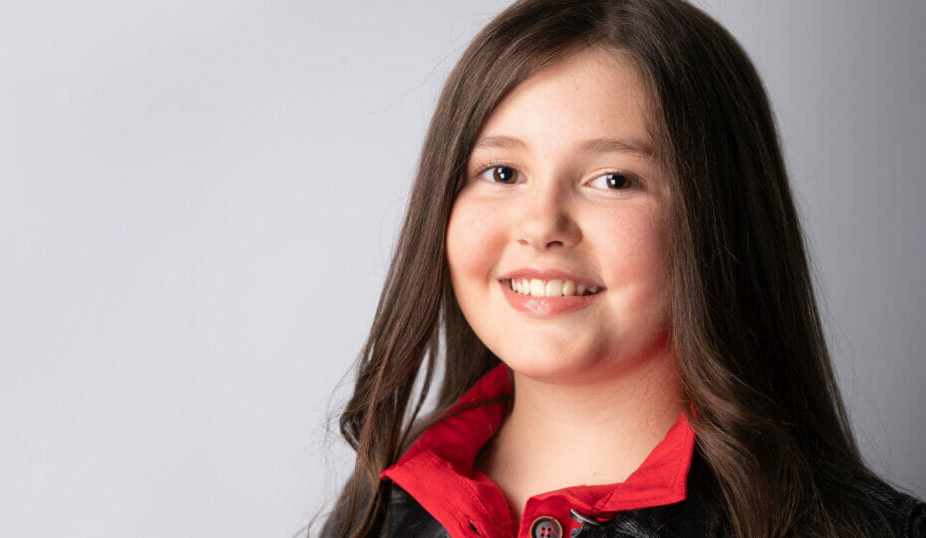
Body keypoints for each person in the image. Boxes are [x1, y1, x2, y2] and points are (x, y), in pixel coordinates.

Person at [319, 0, 925, 536]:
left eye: (614, 180)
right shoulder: (375, 511)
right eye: (502, 173)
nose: (541, 225)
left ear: (720, 216)